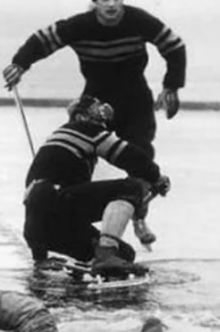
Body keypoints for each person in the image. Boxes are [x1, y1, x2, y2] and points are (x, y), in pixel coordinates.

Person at [2, 0, 186, 161]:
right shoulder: (80, 26)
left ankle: (141, 187)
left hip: (135, 97)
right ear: (96, 1)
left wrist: (171, 86)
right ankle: (70, 188)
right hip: (95, 97)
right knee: (76, 148)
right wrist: (19, 65)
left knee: (139, 152)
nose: (111, 4)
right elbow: (42, 41)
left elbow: (174, 46)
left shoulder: (138, 20)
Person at [23, 95, 171, 276]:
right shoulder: (84, 130)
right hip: (57, 206)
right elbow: (131, 158)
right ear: (80, 117)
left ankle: (102, 261)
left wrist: (40, 257)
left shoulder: (59, 139)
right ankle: (106, 255)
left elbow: (35, 205)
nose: (101, 117)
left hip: (41, 229)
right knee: (131, 187)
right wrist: (156, 177)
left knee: (125, 254)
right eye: (95, 110)